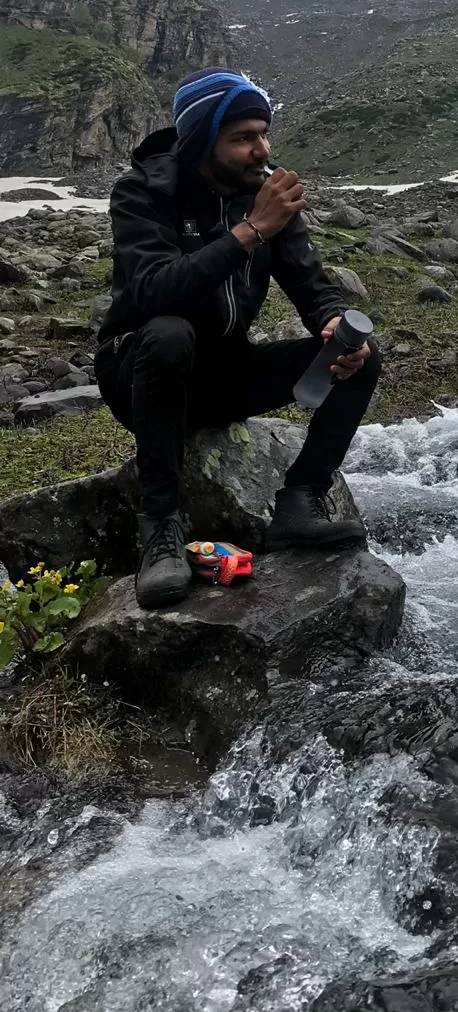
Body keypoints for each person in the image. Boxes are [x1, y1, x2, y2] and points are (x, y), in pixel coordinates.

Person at [94, 68, 379, 609]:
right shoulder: (144, 191)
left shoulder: (264, 195)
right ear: (203, 140)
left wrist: (333, 324)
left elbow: (311, 284)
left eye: (263, 134)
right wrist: (250, 231)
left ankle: (300, 501)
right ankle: (159, 528)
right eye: (243, 138)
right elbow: (153, 292)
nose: (261, 149)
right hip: (143, 372)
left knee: (360, 355)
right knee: (170, 333)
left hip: (223, 372)